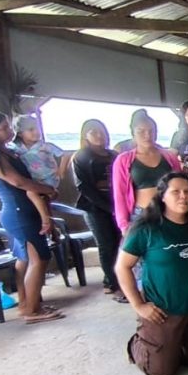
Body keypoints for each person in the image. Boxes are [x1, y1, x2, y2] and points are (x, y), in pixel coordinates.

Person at [116, 172, 188, 375]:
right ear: (162, 196)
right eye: (176, 192)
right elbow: (122, 267)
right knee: (160, 371)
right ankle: (139, 343)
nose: (183, 196)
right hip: (163, 310)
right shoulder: (146, 229)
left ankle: (174, 343)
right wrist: (139, 305)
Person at [0, 111, 62, 323]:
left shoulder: (5, 151)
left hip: (24, 209)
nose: (9, 131)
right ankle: (32, 311)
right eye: (3, 128)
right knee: (39, 258)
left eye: (8, 126)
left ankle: (28, 304)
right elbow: (18, 182)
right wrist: (47, 189)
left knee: (26, 260)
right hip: (17, 211)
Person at [71, 119, 123, 301]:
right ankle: (113, 284)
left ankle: (117, 279)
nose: (99, 135)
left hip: (117, 205)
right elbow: (85, 188)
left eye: (102, 131)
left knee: (119, 243)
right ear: (85, 135)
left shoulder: (113, 155)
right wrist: (108, 207)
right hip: (95, 207)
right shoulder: (81, 157)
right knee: (106, 244)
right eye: (94, 132)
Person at [112, 110, 182, 233]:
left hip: (169, 212)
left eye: (151, 131)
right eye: (141, 132)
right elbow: (120, 193)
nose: (147, 135)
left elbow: (181, 185)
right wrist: (124, 225)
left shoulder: (169, 157)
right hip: (142, 214)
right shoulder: (123, 160)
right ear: (133, 133)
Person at [11, 114, 67, 188]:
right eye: (31, 129)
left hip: (50, 178)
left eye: (38, 128)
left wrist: (61, 170)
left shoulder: (45, 146)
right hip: (32, 179)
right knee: (31, 193)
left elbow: (65, 155)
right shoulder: (17, 148)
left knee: (36, 193)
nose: (36, 131)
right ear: (20, 133)